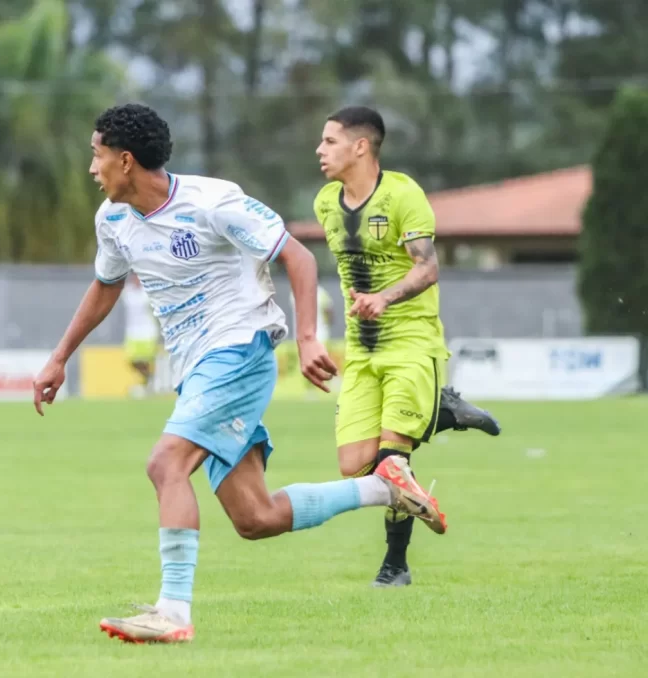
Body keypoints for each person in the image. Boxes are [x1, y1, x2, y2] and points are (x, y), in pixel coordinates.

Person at [33, 103, 449, 644]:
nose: (92, 168)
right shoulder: (112, 220)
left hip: (238, 350)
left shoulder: (212, 202)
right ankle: (385, 490)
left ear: (126, 161)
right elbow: (106, 287)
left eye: (97, 155)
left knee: (165, 464)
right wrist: (60, 356)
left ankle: (173, 612)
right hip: (196, 369)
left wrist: (305, 339)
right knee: (256, 517)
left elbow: (296, 257)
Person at [312, 105, 501, 588]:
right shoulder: (326, 203)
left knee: (394, 461)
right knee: (355, 465)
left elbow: (427, 268)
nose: (320, 150)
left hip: (412, 343)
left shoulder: (403, 195)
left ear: (361, 147)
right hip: (362, 351)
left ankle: (394, 566)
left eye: (329, 141)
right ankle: (442, 412)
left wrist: (385, 297)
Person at [121, 273, 160, 397]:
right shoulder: (128, 292)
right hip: (132, 331)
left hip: (147, 331)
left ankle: (147, 384)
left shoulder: (147, 292)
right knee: (131, 360)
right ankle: (148, 378)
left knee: (147, 359)